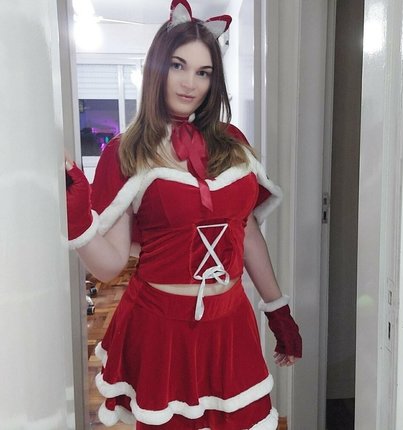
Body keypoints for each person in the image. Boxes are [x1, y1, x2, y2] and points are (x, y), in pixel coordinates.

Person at [65, 1, 302, 428]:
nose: (190, 82)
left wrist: (277, 310)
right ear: (157, 68)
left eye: (203, 72)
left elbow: (246, 231)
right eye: (178, 65)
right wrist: (77, 219)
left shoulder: (232, 142)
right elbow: (110, 265)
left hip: (230, 323)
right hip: (161, 330)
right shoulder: (126, 151)